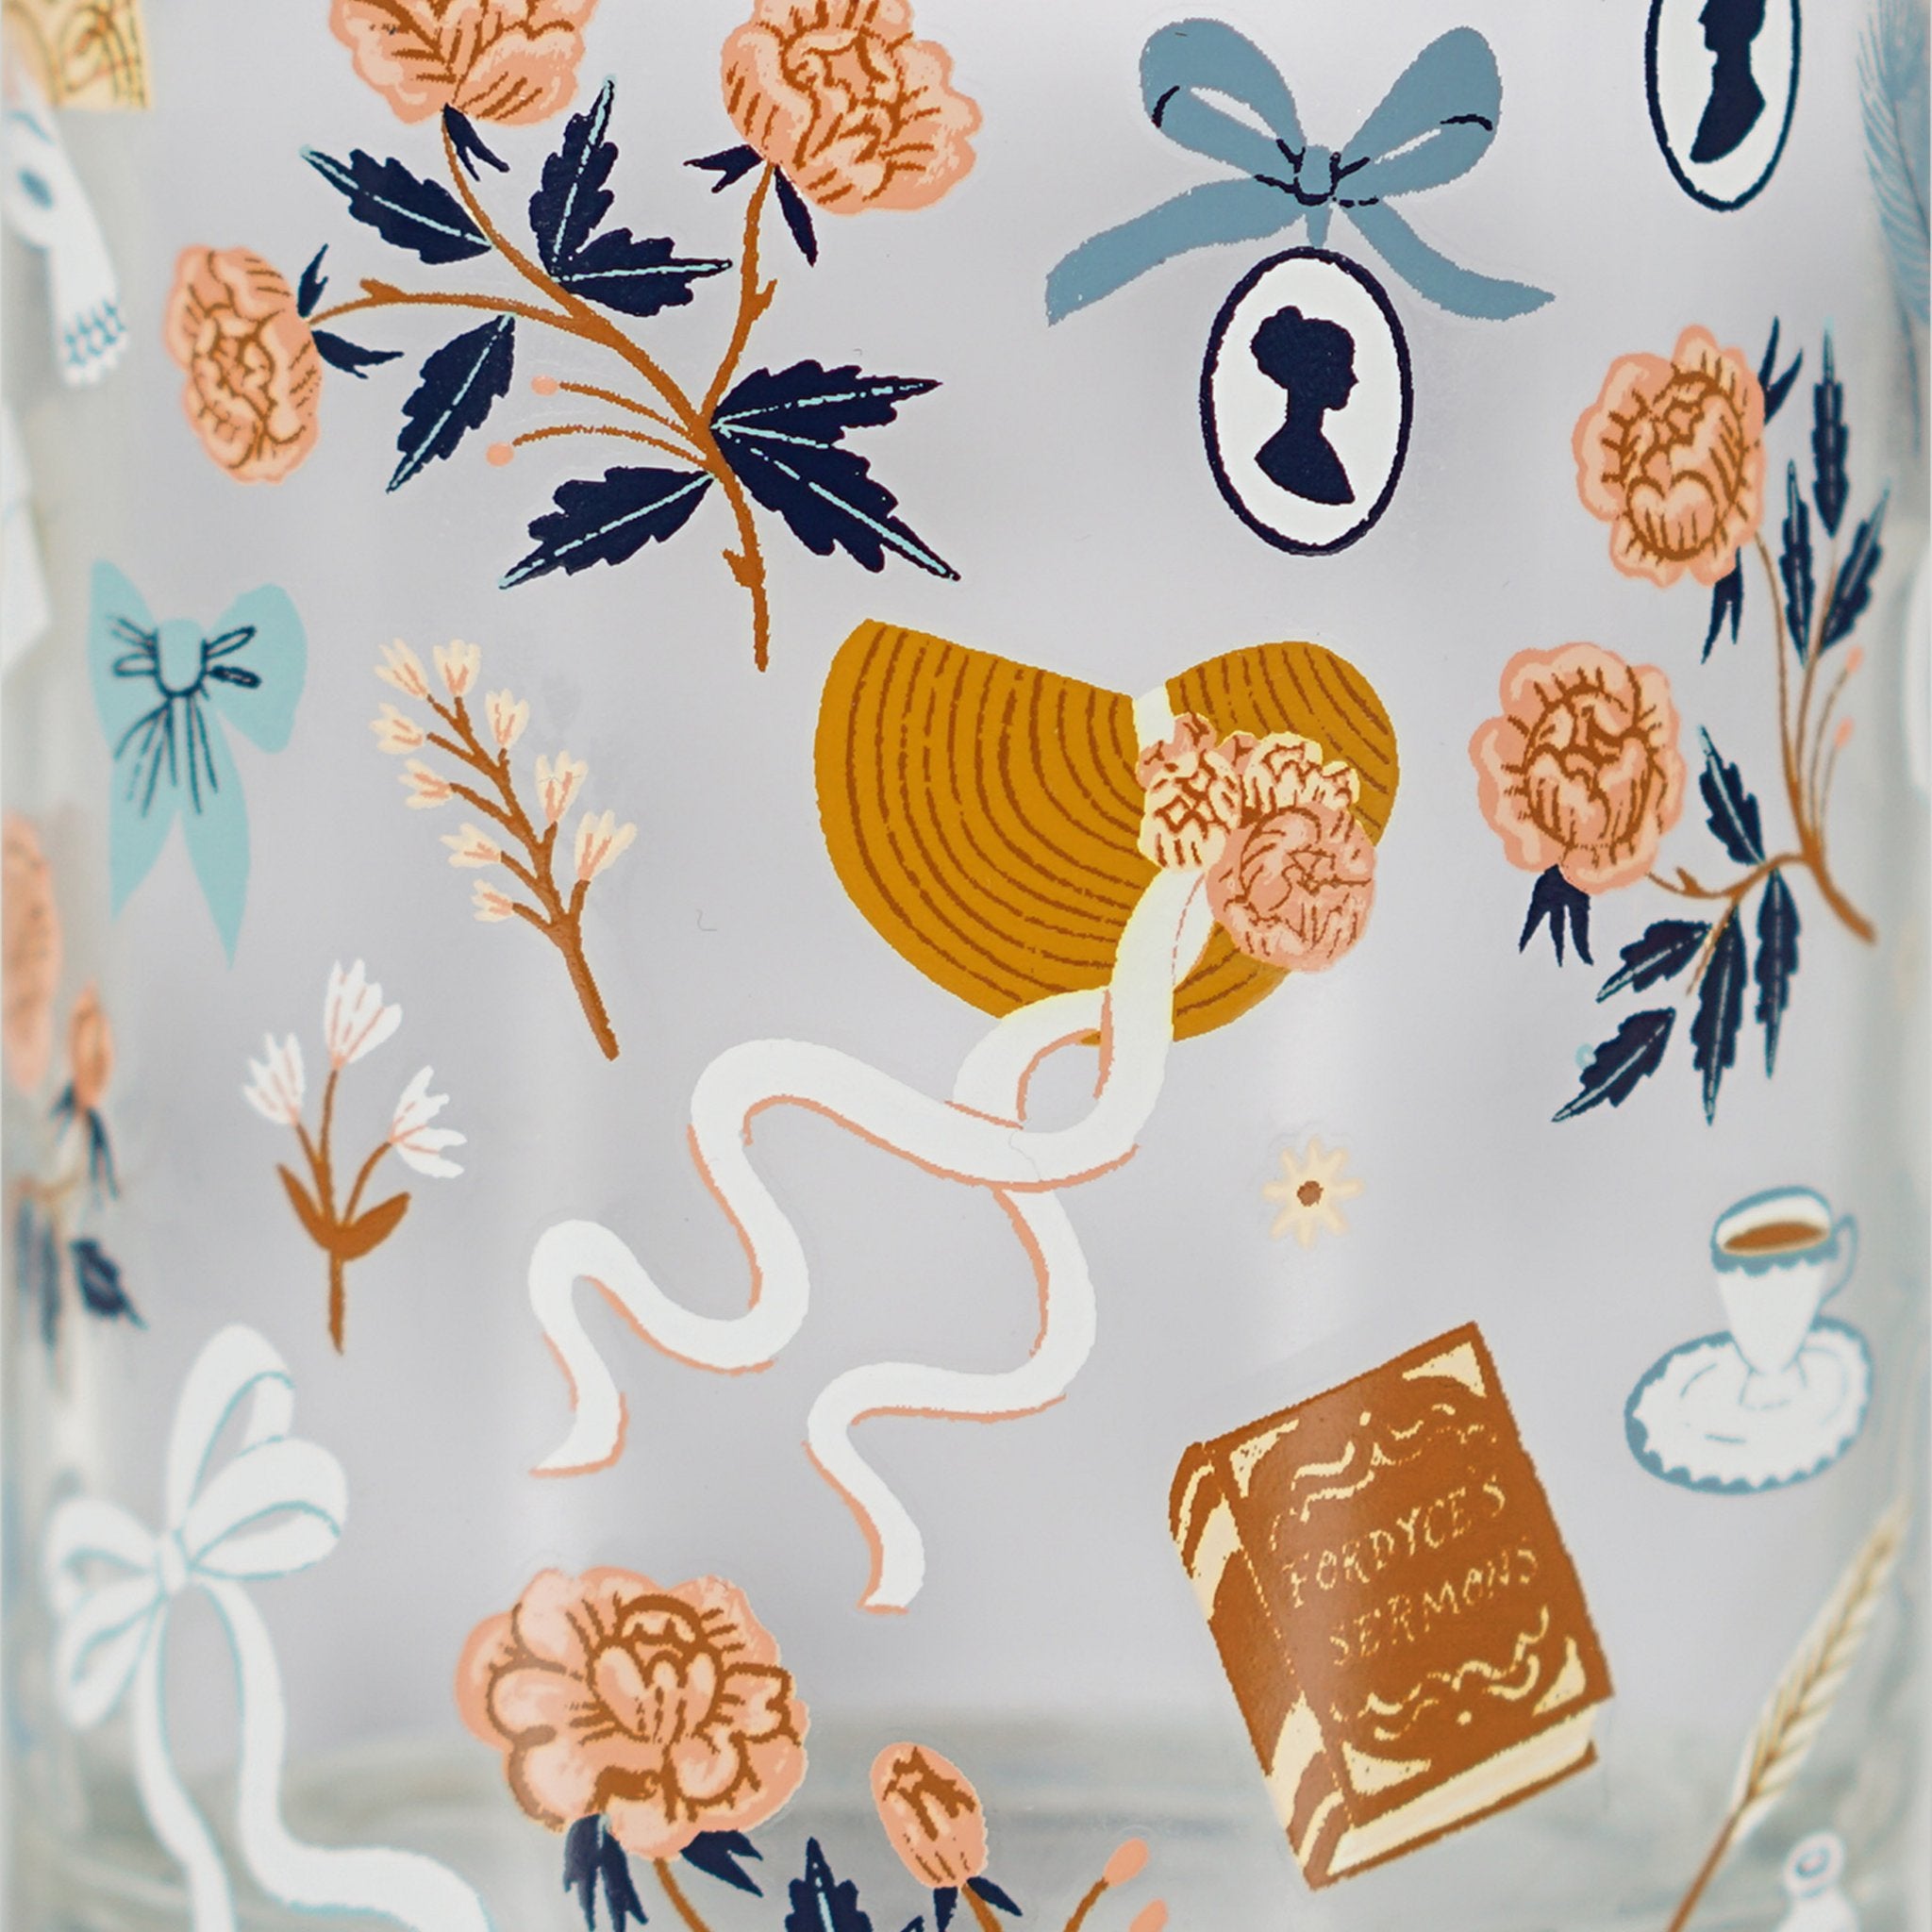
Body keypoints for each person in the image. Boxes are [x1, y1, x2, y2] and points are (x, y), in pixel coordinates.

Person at [1250, 305, 1357, 507]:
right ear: (1314, 376)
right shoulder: (1294, 454)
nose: (1353, 379)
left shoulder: (1307, 450)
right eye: (1343, 367)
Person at [1690, 0, 1768, 164]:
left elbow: (1701, 154)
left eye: (1715, 7)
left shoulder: (1744, 101)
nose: (1703, 17)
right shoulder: (1730, 90)